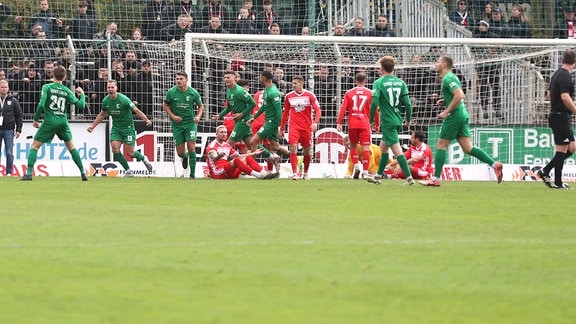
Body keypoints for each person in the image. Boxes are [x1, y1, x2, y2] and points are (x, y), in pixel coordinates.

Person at [420, 55, 503, 187]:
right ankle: (494, 165)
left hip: (455, 115)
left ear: (445, 64)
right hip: (462, 114)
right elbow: (456, 95)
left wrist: (447, 111)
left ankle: (435, 179)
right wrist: (445, 101)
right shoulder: (452, 77)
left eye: (438, 62)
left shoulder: (448, 78)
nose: (436, 64)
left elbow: (460, 95)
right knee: (468, 148)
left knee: (441, 145)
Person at [20, 65, 87, 181]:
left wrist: (36, 119)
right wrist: (82, 95)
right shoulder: (66, 91)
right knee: (71, 147)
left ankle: (29, 173)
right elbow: (81, 105)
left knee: (34, 146)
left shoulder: (47, 87)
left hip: (50, 121)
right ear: (65, 77)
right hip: (63, 121)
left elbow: (41, 104)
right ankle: (83, 173)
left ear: (52, 75)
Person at [87, 80, 154, 177]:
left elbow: (136, 110)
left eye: (112, 87)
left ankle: (144, 158)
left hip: (128, 128)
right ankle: (128, 171)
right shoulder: (106, 101)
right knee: (115, 149)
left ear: (116, 88)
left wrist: (146, 120)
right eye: (108, 87)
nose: (110, 89)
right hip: (116, 128)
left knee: (130, 153)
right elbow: (102, 115)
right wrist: (92, 126)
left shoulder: (124, 99)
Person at [368, 56, 414, 185]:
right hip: (397, 119)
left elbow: (374, 102)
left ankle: (410, 179)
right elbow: (408, 104)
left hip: (387, 120)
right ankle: (377, 177)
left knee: (397, 150)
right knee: (383, 148)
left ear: (382, 68)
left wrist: (371, 119)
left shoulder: (379, 83)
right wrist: (408, 119)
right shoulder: (401, 83)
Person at [537, 50, 576, 189]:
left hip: (556, 115)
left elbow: (549, 95)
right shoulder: (565, 76)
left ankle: (555, 180)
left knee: (568, 148)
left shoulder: (556, 74)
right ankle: (546, 171)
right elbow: (565, 97)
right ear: (574, 62)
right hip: (561, 115)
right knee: (563, 150)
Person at [247, 70, 289, 176]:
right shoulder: (266, 91)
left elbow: (279, 111)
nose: (259, 79)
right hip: (268, 121)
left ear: (265, 78)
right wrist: (254, 118)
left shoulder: (273, 92)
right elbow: (264, 107)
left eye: (261, 77)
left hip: (271, 123)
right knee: (275, 147)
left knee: (253, 142)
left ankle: (252, 168)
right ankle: (293, 155)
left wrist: (280, 127)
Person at [163, 71, 204, 179]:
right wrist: (173, 116)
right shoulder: (171, 92)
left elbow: (201, 106)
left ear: (186, 80)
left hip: (190, 123)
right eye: (177, 79)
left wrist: (198, 117)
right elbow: (166, 105)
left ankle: (192, 175)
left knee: (191, 147)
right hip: (177, 125)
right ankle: (185, 157)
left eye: (181, 79)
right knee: (180, 153)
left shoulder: (193, 93)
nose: (179, 81)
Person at [280, 75, 321, 180]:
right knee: (293, 148)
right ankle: (294, 173)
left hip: (306, 127)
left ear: (302, 83)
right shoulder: (289, 96)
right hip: (293, 126)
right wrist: (281, 128)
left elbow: (318, 110)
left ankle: (305, 172)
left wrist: (315, 122)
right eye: (292, 83)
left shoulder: (309, 95)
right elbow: (285, 113)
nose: (293, 85)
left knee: (307, 151)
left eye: (295, 83)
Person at [337, 73, 375, 180]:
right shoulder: (370, 93)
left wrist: (339, 122)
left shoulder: (349, 93)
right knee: (365, 148)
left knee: (353, 146)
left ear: (355, 81)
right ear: (366, 81)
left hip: (352, 123)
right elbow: (374, 110)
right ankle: (365, 172)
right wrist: (377, 123)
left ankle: (356, 165)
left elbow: (343, 108)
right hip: (364, 123)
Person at [212, 70, 256, 153]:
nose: (226, 79)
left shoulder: (240, 91)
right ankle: (271, 156)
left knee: (228, 144)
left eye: (228, 77)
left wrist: (241, 114)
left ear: (234, 78)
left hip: (244, 120)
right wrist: (219, 115)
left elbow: (253, 103)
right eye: (225, 77)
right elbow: (229, 107)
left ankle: (218, 163)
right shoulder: (228, 91)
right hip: (238, 120)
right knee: (251, 145)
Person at [205, 125, 272, 179]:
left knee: (247, 158)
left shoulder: (227, 145)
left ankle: (264, 173)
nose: (224, 134)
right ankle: (258, 175)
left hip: (229, 173)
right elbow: (214, 157)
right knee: (236, 161)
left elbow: (239, 156)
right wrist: (219, 156)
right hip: (218, 172)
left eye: (225, 132)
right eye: (221, 132)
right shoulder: (212, 145)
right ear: (216, 134)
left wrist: (253, 153)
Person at [0, 80, 23, 176]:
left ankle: (9, 172)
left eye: (5, 87)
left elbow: (19, 115)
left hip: (9, 129)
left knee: (9, 152)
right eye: (2, 87)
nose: (4, 89)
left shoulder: (13, 100)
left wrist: (18, 129)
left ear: (8, 88)